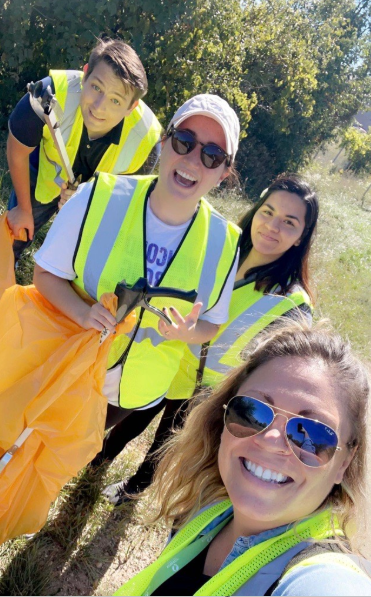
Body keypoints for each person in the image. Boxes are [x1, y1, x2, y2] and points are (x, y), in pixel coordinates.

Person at [101, 174, 318, 503]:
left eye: (289, 222)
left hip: (206, 390)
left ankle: (134, 489)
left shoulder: (293, 303)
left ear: (302, 236)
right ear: (255, 211)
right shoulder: (220, 247)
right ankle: (97, 462)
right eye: (268, 212)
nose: (272, 227)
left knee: (167, 442)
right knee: (130, 415)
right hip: (163, 357)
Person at [114, 321, 371, 596]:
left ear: (344, 463)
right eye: (252, 411)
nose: (271, 440)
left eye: (312, 433)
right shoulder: (209, 510)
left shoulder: (324, 581)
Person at [33, 93, 241, 431]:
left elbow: (211, 325)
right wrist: (83, 312)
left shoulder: (226, 243)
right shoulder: (97, 196)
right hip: (64, 365)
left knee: (63, 460)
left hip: (131, 392)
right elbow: (44, 274)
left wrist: (188, 332)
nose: (192, 161)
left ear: (224, 172)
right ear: (164, 142)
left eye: (212, 155)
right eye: (184, 141)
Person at [6, 36, 162, 260]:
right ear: (85, 73)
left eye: (116, 100)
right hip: (44, 172)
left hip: (98, 191)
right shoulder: (48, 94)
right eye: (96, 87)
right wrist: (23, 208)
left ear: (132, 107)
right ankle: (11, 260)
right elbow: (17, 150)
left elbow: (123, 206)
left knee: (86, 254)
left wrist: (87, 205)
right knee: (17, 232)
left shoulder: (146, 143)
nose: (99, 107)